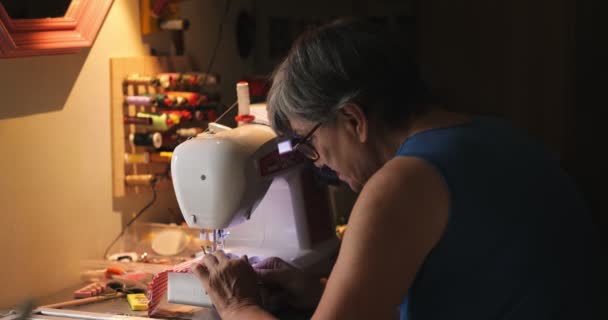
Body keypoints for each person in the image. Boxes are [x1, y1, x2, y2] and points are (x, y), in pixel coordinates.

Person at [190, 18, 598, 319]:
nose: (318, 162)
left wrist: (237, 304)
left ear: (353, 120)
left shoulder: (402, 184)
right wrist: (319, 293)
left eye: (308, 143)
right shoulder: (497, 137)